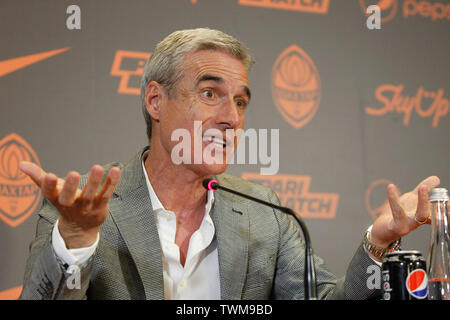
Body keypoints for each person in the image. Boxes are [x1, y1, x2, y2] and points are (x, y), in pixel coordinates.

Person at [18, 28, 439, 300]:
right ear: (154, 100)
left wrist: (377, 241)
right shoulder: (81, 210)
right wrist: (74, 238)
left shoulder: (266, 213)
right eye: (209, 94)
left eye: (240, 101)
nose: (232, 117)